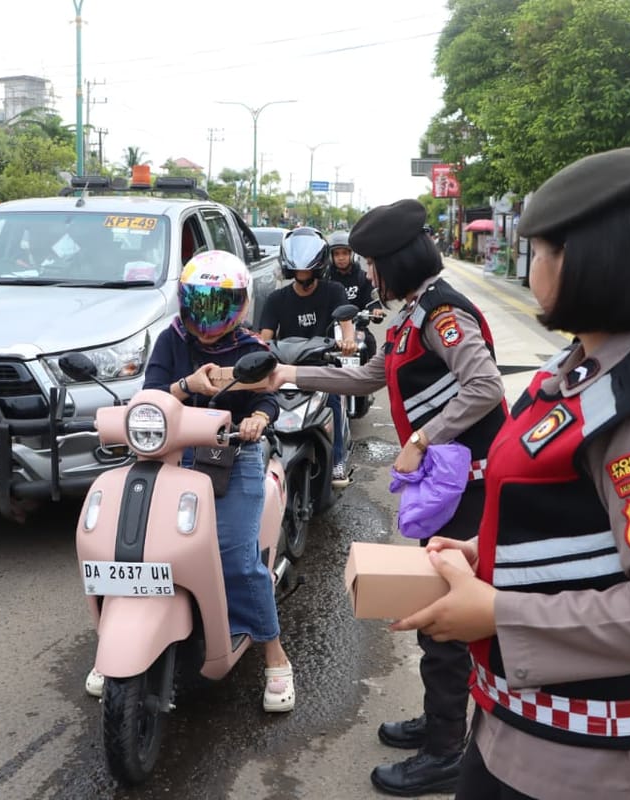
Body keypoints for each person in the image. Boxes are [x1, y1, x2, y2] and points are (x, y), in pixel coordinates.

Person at [392, 147, 630, 800]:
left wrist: (496, 611)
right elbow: (574, 521)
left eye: (541, 251)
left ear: (588, 261)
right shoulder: (586, 366)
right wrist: (482, 552)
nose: (532, 268)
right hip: (517, 731)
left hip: (594, 763)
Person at [267, 199, 507, 796]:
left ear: (396, 261)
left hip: (471, 484)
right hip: (451, 483)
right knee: (436, 605)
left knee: (447, 616)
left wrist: (422, 439)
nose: (368, 274)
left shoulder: (443, 312)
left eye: (374, 264)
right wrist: (288, 375)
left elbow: (485, 384)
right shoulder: (411, 313)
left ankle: (446, 749)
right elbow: (368, 377)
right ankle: (440, 720)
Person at [85, 250, 295, 713]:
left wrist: (258, 417)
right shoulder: (171, 340)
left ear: (238, 306)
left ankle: (274, 655)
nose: (207, 317)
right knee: (124, 545)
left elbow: (271, 399)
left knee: (235, 557)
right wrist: (188, 388)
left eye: (219, 305)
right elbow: (151, 397)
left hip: (231, 455)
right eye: (199, 303)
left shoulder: (249, 350)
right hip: (169, 454)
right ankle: (114, 638)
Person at [259, 227, 357, 488]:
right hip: (284, 369)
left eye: (308, 270)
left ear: (318, 267)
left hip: (322, 367)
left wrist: (348, 341)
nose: (303, 275)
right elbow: (264, 336)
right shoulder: (276, 299)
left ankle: (337, 459)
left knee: (334, 401)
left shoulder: (334, 291)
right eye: (298, 270)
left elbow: (346, 323)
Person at [326, 230, 381, 362]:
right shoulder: (325, 279)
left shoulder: (362, 277)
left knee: (369, 343)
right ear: (330, 256)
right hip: (331, 328)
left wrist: (376, 311)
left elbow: (371, 302)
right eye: (337, 254)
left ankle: (367, 376)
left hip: (357, 326)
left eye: (345, 253)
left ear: (352, 254)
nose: (341, 257)